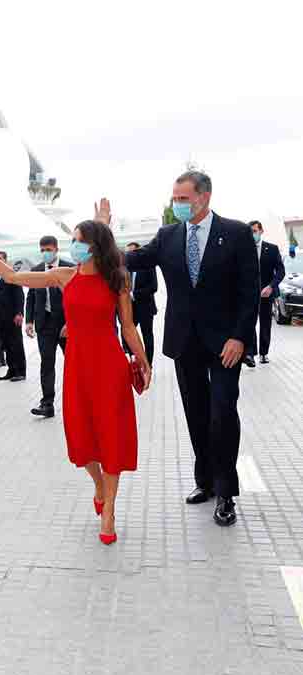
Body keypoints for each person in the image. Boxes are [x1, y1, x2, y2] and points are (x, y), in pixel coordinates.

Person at [0, 214, 149, 544]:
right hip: (78, 368)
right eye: (73, 240)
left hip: (110, 367)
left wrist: (143, 361)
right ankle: (98, 485)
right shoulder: (62, 276)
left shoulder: (118, 280)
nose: (75, 246)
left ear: (95, 246)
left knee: (111, 435)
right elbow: (13, 277)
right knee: (82, 441)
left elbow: (128, 327)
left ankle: (109, 510)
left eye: (80, 240)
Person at [124, 170, 259, 526]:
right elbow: (132, 261)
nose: (177, 205)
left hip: (225, 344)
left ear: (205, 197)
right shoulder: (168, 236)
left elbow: (249, 292)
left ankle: (227, 492)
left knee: (222, 414)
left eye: (183, 199)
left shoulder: (236, 233)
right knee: (197, 415)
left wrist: (240, 337)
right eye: (175, 198)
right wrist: (101, 238)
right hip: (186, 342)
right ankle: (207, 482)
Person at [25, 236, 73, 418]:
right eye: (42, 250)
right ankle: (47, 403)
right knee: (46, 363)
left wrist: (73, 321)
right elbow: (31, 296)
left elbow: (77, 297)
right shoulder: (37, 270)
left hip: (66, 325)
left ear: (56, 249)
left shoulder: (69, 268)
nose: (45, 253)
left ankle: (79, 401)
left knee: (73, 363)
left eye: (48, 249)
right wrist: (29, 321)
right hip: (44, 325)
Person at [247, 220, 284, 365]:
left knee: (265, 323)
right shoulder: (244, 249)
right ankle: (250, 354)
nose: (253, 234)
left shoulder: (272, 249)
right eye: (250, 232)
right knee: (249, 322)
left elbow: (281, 271)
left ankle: (263, 353)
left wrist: (271, 286)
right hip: (249, 293)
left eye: (255, 231)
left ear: (261, 231)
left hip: (266, 293)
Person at [0, 251, 26, 381]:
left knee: (16, 343)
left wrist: (19, 313)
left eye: (0, 258)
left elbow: (19, 295)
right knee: (6, 344)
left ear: (5, 260)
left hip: (12, 316)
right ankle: (11, 370)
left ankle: (20, 372)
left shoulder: (11, 274)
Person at [124, 242, 158, 366]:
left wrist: (134, 294)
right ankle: (133, 360)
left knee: (147, 335)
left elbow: (153, 287)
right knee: (126, 335)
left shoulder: (148, 266)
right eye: (127, 253)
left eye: (132, 253)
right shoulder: (124, 269)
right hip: (130, 309)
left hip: (145, 308)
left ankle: (149, 363)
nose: (129, 256)